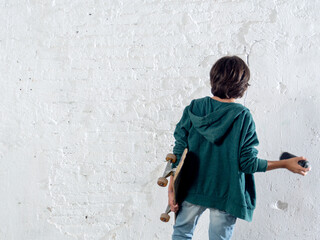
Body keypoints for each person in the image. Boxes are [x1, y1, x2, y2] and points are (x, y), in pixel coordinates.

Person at [168, 55, 311, 240]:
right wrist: (284, 164)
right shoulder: (242, 116)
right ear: (242, 85)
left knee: (181, 234)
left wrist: (172, 187)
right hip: (226, 193)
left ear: (214, 78)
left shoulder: (194, 108)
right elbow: (248, 164)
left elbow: (178, 152)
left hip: (190, 189)